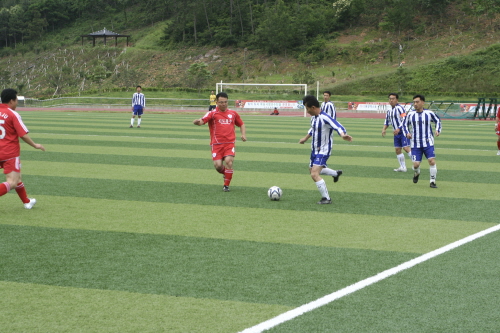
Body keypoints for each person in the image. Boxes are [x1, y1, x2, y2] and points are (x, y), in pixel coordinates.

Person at [299, 95, 352, 204]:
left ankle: (326, 199)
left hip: (323, 150)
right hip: (314, 150)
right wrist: (305, 138)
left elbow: (337, 126)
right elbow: (313, 129)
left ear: (313, 107)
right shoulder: (313, 118)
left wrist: (343, 135)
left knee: (314, 174)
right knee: (312, 170)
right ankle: (335, 173)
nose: (307, 111)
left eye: (307, 108)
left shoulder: (325, 117)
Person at [0, 88, 45, 209]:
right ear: (11, 101)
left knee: (17, 178)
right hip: (9, 153)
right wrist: (35, 145)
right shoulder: (13, 114)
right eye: (16, 100)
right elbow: (23, 134)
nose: (17, 103)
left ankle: (26, 201)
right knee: (12, 182)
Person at [193, 92, 247, 192]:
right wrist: (197, 122)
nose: (224, 104)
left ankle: (226, 186)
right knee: (218, 166)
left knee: (228, 162)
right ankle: (226, 173)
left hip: (229, 143)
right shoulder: (212, 113)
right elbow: (202, 121)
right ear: (217, 102)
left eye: (225, 102)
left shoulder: (233, 114)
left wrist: (243, 134)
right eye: (221, 102)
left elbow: (242, 124)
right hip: (216, 144)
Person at [402, 94, 442, 188]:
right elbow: (404, 125)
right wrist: (407, 133)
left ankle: (432, 181)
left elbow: (437, 120)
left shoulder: (429, 113)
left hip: (428, 142)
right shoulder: (410, 114)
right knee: (416, 165)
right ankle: (417, 173)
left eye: (417, 102)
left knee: (431, 161)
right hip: (415, 143)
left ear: (423, 102)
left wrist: (437, 129)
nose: (415, 104)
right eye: (414, 102)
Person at [382, 93, 412, 172]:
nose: (391, 100)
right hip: (396, 133)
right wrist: (384, 129)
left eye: (393, 99)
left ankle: (416, 164)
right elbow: (387, 121)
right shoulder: (389, 111)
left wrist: (399, 128)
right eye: (390, 99)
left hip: (403, 131)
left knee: (406, 148)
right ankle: (403, 167)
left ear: (397, 100)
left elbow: (404, 118)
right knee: (398, 150)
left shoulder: (400, 108)